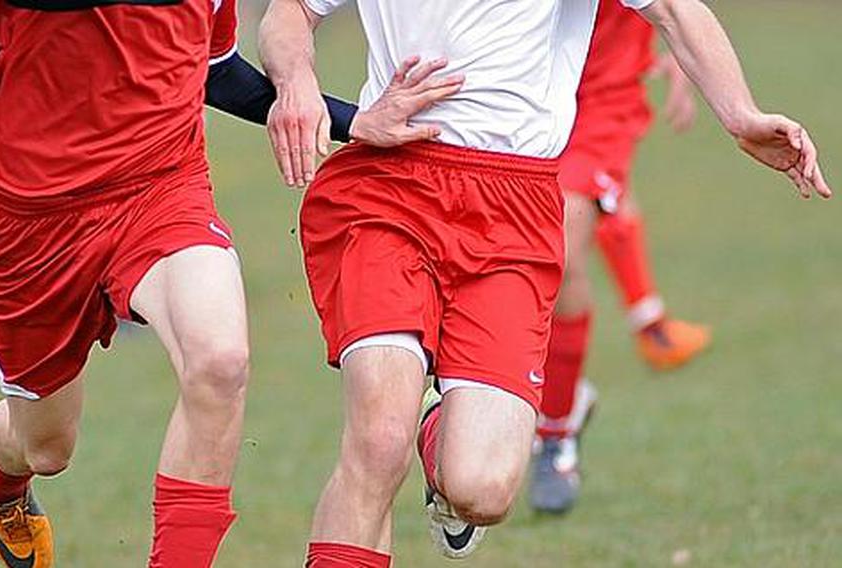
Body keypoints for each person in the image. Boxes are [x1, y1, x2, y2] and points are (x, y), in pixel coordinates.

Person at [259, 0, 831, 564]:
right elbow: (290, 12)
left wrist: (742, 116)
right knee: (378, 441)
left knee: (481, 490)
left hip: (514, 211)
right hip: (389, 188)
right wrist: (297, 82)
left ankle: (439, 424)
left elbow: (676, 11)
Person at [0, 0, 450, 566]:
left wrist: (345, 118)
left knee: (219, 361)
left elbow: (215, 68)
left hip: (160, 187)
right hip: (30, 216)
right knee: (44, 446)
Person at [531, 0, 710, 515]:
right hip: (513, 87)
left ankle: (555, 431)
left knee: (560, 242)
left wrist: (680, 33)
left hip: (602, 95)